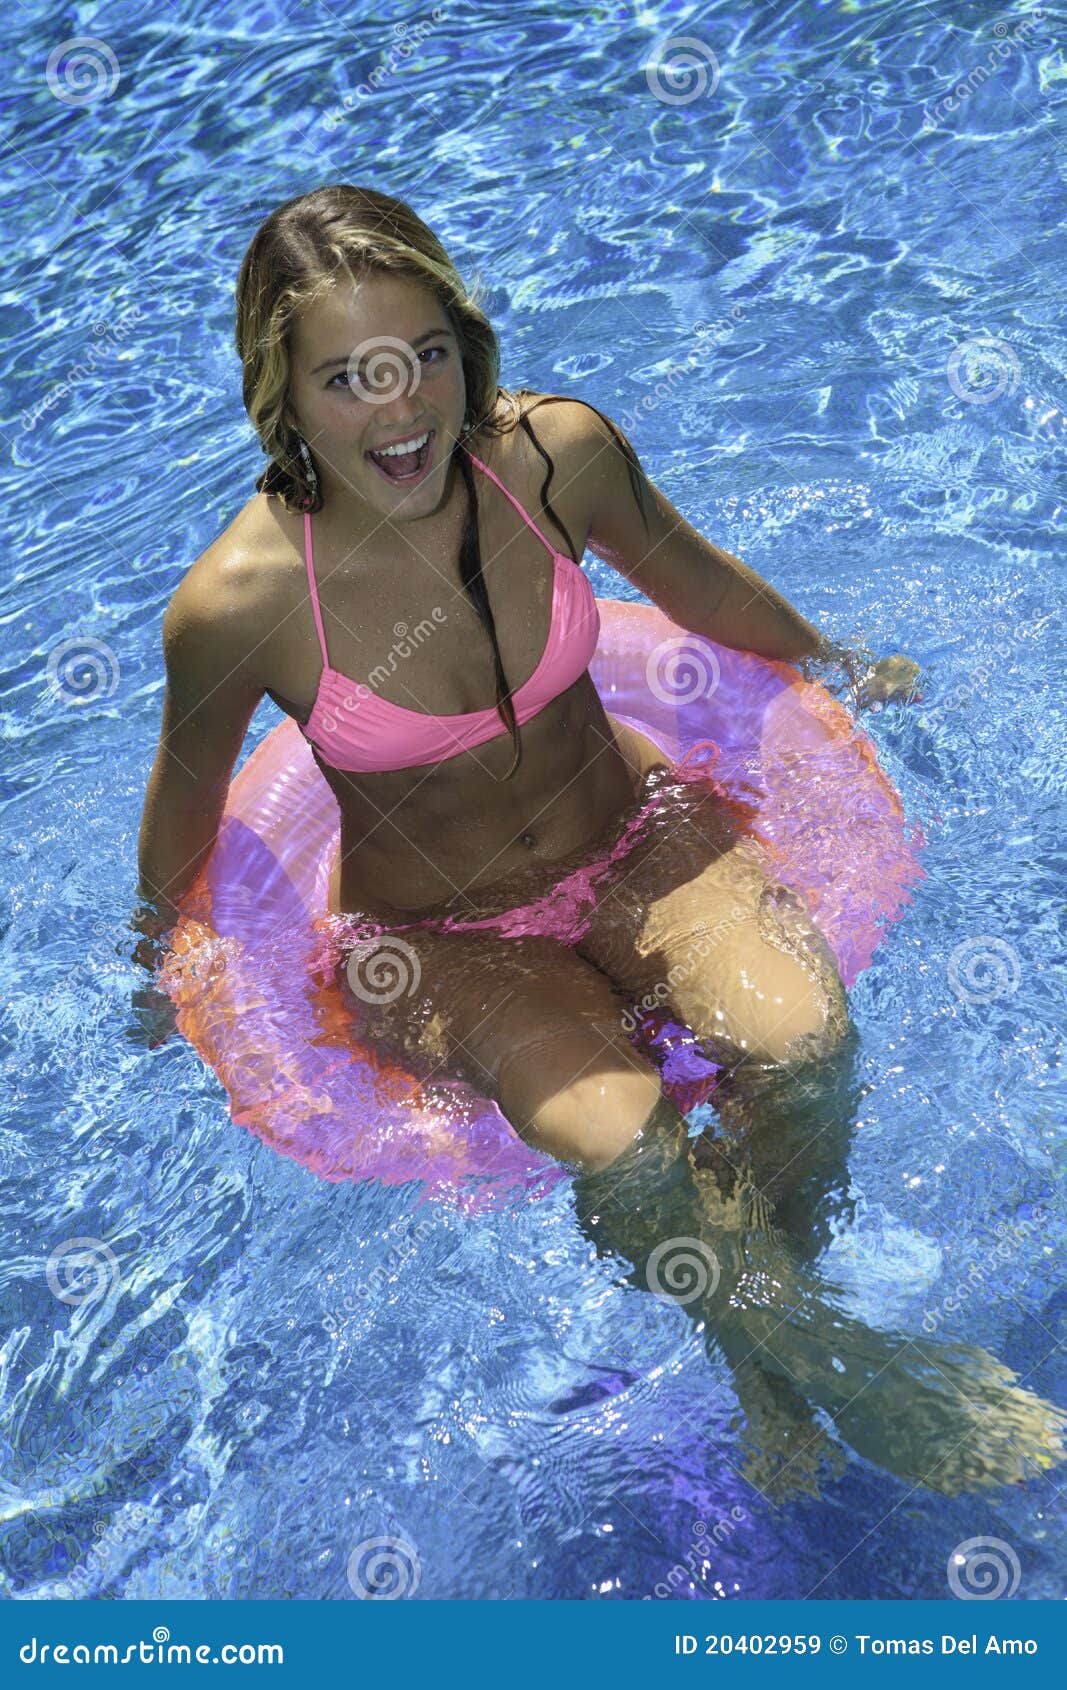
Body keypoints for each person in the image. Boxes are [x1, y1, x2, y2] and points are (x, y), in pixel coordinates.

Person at [134, 185, 1063, 1493]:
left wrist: (838, 660)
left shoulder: (554, 458)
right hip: (441, 938)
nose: (399, 409)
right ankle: (833, 1357)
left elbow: (693, 579)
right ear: (279, 398)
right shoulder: (239, 604)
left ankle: (759, 1354)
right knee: (626, 1139)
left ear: (465, 343)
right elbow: (184, 817)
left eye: (424, 359)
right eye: (347, 379)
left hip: (641, 838)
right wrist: (153, 972)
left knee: (805, 1042)